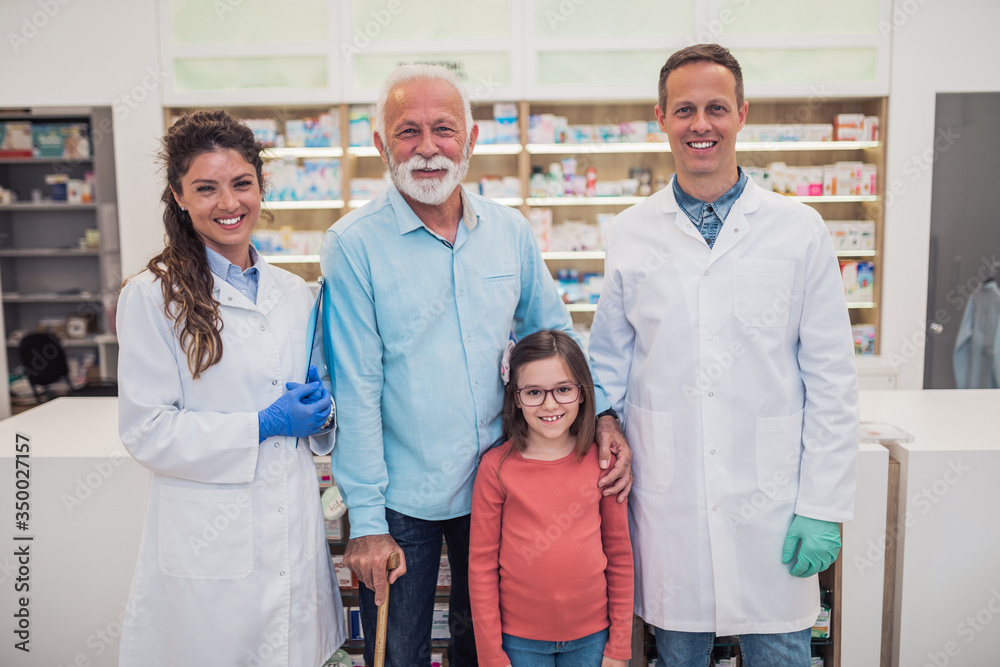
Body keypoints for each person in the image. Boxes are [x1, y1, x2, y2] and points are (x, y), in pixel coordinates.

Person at [320, 64, 633, 666]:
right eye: (408, 132)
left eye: (444, 128)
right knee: (399, 655)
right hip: (399, 499)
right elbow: (356, 386)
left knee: (486, 650)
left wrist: (606, 417)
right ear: (381, 145)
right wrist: (364, 519)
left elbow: (556, 336)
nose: (429, 147)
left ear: (471, 138)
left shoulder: (508, 231)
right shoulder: (353, 244)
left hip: (504, 484)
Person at [588, 44, 859, 666]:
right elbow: (607, 363)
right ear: (661, 117)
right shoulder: (631, 232)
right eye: (684, 109)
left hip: (773, 508)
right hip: (670, 503)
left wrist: (822, 507)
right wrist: (605, 420)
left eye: (715, 108)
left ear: (742, 113)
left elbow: (833, 383)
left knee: (780, 653)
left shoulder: (799, 228)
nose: (700, 124)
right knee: (677, 653)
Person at [116, 109, 345, 666]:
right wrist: (262, 424)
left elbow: (310, 409)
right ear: (178, 195)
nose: (229, 203)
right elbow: (146, 430)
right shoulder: (152, 296)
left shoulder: (295, 294)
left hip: (290, 525)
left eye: (242, 184)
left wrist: (323, 413)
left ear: (261, 187)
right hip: (207, 544)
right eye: (206, 188)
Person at [469, 330, 633, 667]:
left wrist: (618, 646)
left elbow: (619, 556)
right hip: (518, 643)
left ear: (583, 393)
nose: (549, 404)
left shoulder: (605, 464)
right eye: (533, 392)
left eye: (563, 389)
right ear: (515, 397)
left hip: (592, 640)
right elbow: (481, 567)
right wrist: (489, 654)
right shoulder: (494, 468)